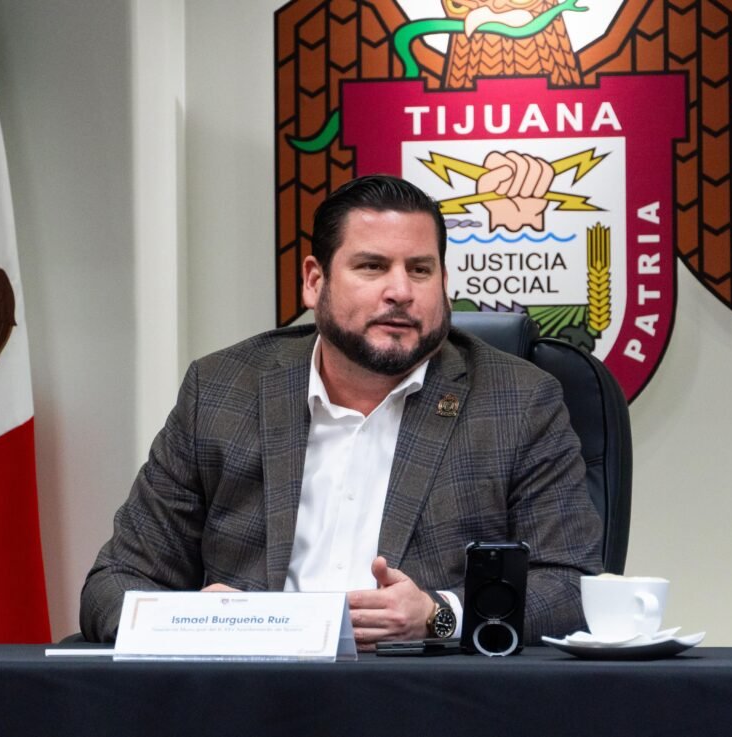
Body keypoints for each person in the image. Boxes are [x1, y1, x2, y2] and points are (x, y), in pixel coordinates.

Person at [79, 175, 602, 646]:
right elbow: (113, 583)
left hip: (422, 696)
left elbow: (571, 586)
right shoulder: (222, 391)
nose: (400, 291)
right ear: (314, 281)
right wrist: (193, 620)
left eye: (420, 270)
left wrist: (439, 615)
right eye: (372, 266)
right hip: (253, 693)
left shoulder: (516, 401)